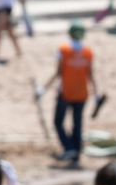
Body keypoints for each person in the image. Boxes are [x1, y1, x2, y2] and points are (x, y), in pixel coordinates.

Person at [40, 19, 98, 164]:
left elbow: (58, 73)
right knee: (77, 123)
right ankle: (76, 153)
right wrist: (96, 94)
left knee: (58, 121)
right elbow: (91, 75)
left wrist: (43, 89)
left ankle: (69, 147)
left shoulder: (64, 50)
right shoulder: (88, 52)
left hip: (66, 93)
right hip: (82, 93)